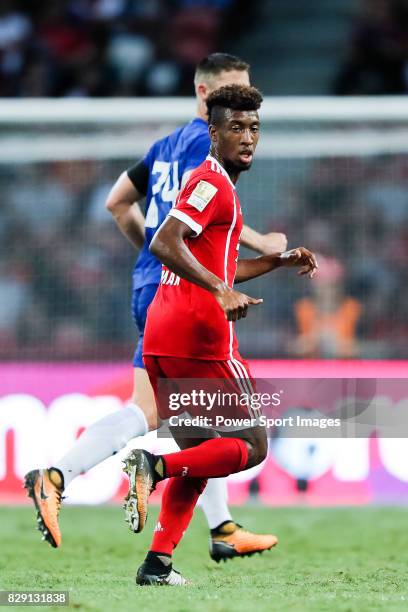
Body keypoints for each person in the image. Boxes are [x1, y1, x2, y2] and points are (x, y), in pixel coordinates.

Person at [24, 53, 287, 556]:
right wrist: (262, 244)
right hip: (184, 288)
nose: (245, 105)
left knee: (200, 416)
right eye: (235, 92)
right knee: (160, 412)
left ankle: (222, 528)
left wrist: (149, 258)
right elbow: (196, 211)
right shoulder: (202, 144)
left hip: (160, 281)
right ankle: (58, 475)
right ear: (208, 97)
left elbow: (118, 202)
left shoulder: (163, 145)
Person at [126, 84, 317, 585]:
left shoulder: (217, 186)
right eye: (236, 127)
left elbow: (220, 265)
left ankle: (157, 565)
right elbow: (167, 242)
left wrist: (277, 261)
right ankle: (153, 466)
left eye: (254, 128)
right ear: (212, 132)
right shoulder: (210, 183)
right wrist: (219, 292)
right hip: (200, 336)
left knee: (201, 454)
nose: (248, 138)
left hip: (163, 335)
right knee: (251, 445)